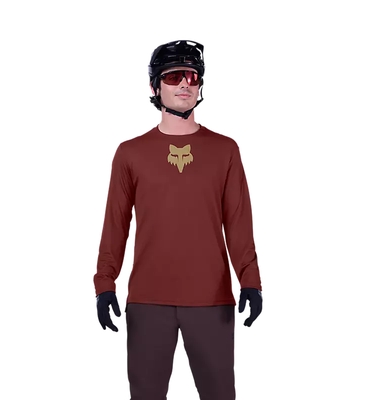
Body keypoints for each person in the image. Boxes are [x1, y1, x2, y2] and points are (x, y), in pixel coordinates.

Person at [94, 39, 263, 400]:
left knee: (220, 395)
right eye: (173, 77)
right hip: (148, 301)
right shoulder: (130, 153)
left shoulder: (225, 150)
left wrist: (250, 279)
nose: (185, 83)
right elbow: (115, 224)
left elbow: (238, 221)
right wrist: (105, 283)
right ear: (154, 86)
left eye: (192, 76)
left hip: (211, 300)